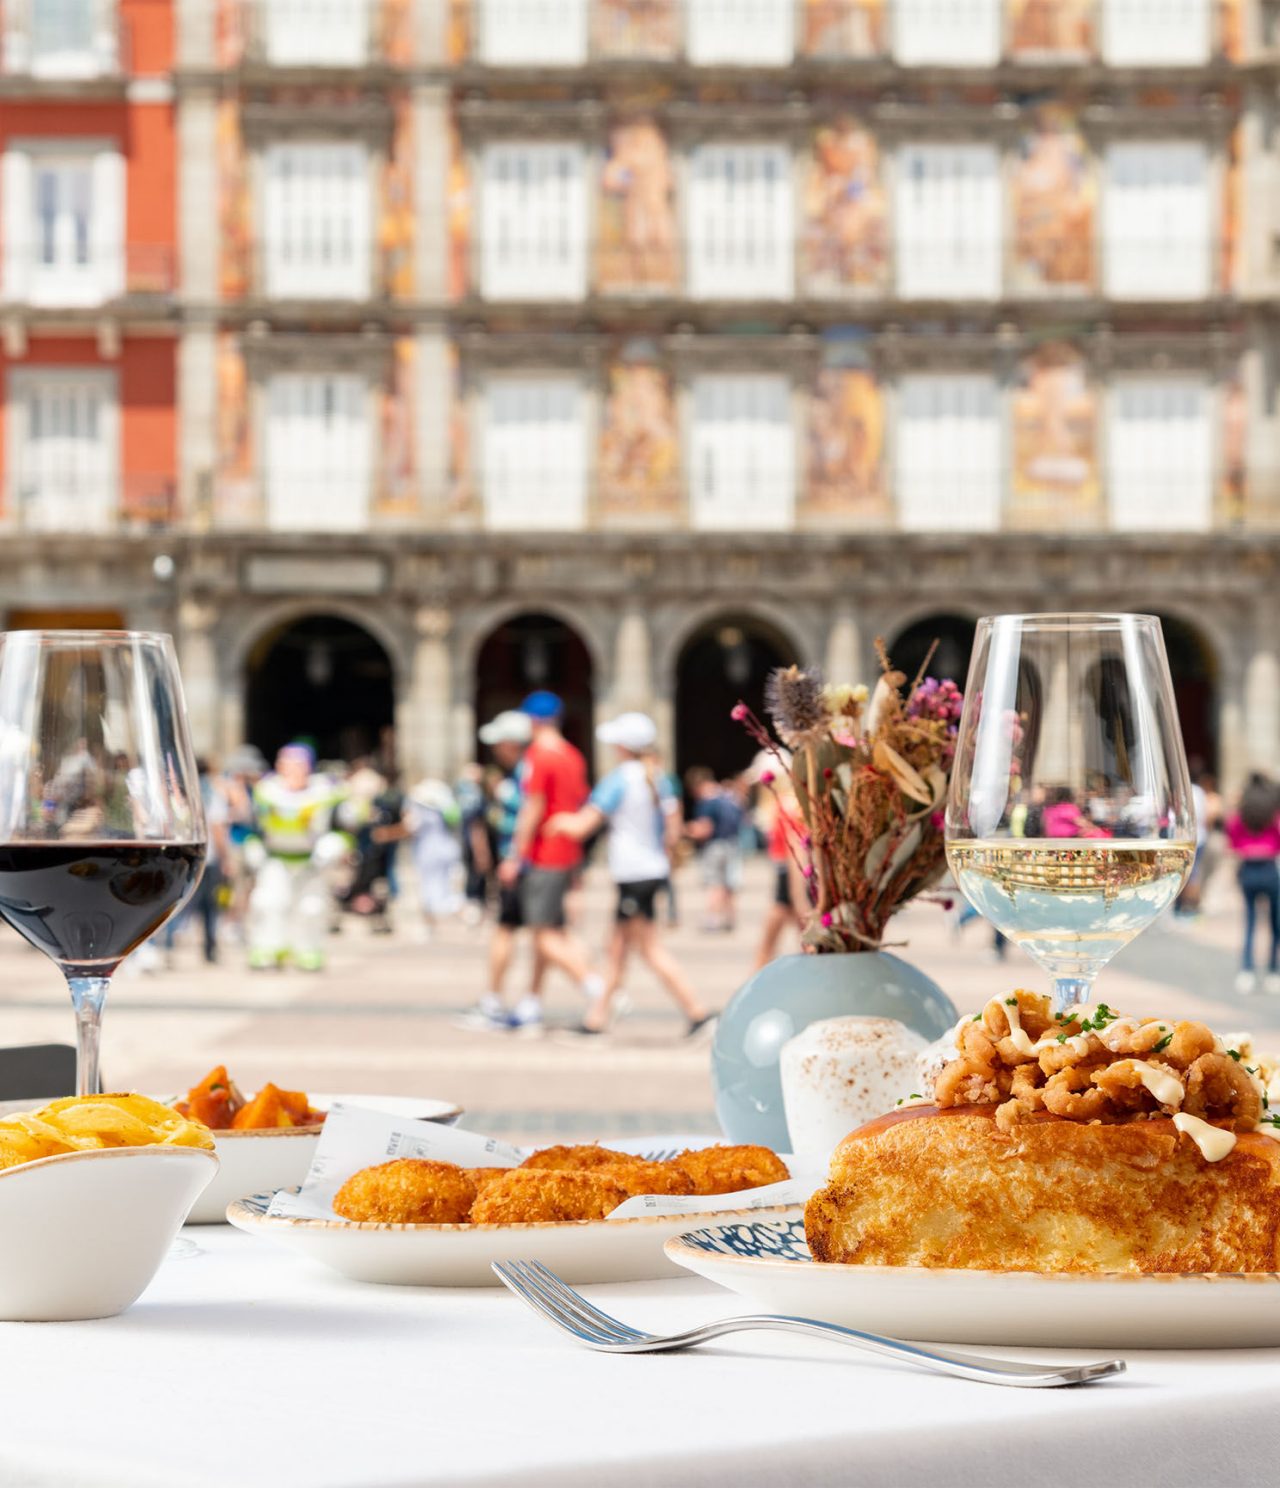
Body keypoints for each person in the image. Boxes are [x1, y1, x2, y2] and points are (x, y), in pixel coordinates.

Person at [547, 712, 713, 1037]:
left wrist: (556, 823)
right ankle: (596, 1019)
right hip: (650, 871)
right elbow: (673, 831)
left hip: (633, 873)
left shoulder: (621, 778)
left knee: (649, 949)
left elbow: (583, 825)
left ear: (622, 746)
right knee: (617, 949)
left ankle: (698, 1013)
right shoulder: (661, 779)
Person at [496, 692, 604, 1031]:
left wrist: (516, 854)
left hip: (544, 853)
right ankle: (532, 1002)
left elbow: (533, 808)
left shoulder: (539, 756)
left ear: (533, 721)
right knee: (547, 932)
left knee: (543, 934)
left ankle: (598, 989)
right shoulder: (574, 756)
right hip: (567, 852)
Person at [246, 744, 346, 971]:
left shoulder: (325, 793)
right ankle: (267, 948)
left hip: (310, 861)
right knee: (269, 904)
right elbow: (252, 825)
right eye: (286, 763)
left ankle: (307, 950)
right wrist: (253, 847)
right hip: (275, 858)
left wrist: (333, 846)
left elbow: (343, 827)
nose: (291, 770)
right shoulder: (266, 792)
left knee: (311, 908)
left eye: (297, 764)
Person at [1225, 773, 1280, 995]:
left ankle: (1247, 970)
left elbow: (1232, 842)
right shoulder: (1272, 815)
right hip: (1269, 869)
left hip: (1248, 869)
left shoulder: (1241, 816)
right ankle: (1273, 970)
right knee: (1275, 925)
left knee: (1249, 922)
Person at [685, 767, 744, 931]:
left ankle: (712, 920)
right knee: (729, 884)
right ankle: (730, 918)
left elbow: (705, 829)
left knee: (715, 884)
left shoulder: (707, 802)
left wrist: (688, 830)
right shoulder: (728, 796)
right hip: (732, 844)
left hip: (714, 846)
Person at [406, 778, 463, 934]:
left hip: (428, 851)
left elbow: (411, 827)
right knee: (448, 887)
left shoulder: (419, 807)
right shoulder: (444, 805)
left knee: (428, 888)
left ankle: (430, 924)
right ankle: (457, 919)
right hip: (448, 848)